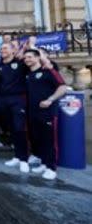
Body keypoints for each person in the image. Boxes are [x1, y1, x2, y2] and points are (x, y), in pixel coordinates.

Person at [23, 49, 67, 180]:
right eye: (25, 58)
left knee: (50, 140)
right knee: (38, 139)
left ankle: (52, 168)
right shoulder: (28, 74)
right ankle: (44, 163)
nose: (27, 59)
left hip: (47, 113)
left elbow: (63, 87)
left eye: (30, 57)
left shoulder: (49, 71)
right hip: (32, 113)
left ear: (38, 58)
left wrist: (50, 99)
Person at [0, 43, 30, 173]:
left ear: (13, 51)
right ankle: (17, 156)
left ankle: (24, 160)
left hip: (17, 100)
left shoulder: (21, 64)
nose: (2, 50)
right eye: (1, 49)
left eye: (5, 48)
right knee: (11, 129)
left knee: (19, 128)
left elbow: (41, 65)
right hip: (3, 100)